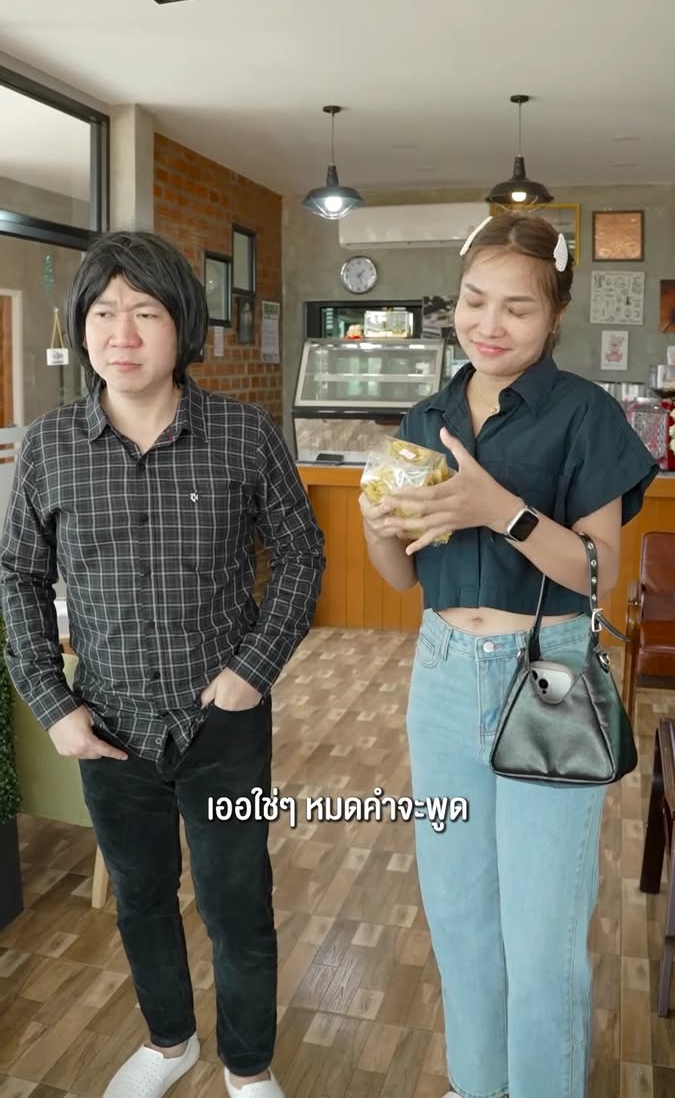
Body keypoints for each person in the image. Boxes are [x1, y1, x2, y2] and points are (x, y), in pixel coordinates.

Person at [0, 231, 326, 1098]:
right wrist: (53, 705)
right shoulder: (50, 445)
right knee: (141, 897)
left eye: (144, 313)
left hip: (224, 720)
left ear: (181, 325)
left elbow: (301, 554)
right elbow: (19, 575)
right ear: (82, 327)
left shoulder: (244, 435)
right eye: (104, 313)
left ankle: (248, 1067)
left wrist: (253, 669)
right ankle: (168, 1041)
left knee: (236, 902)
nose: (123, 334)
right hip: (107, 723)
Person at [359, 212, 658, 1098]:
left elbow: (597, 572)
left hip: (548, 672)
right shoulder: (428, 414)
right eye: (473, 300)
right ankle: (473, 1083)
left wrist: (501, 511)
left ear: (554, 315)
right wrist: (377, 528)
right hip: (443, 671)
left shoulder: (583, 414)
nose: (488, 324)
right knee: (457, 916)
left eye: (516, 308)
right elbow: (400, 577)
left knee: (540, 937)